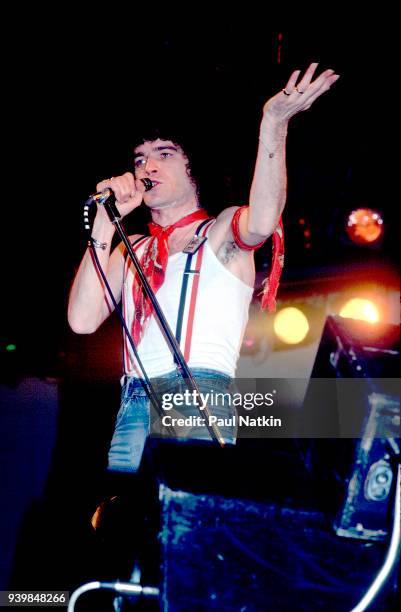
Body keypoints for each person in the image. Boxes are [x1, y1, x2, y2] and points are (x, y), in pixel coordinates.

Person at [68, 63, 340, 473]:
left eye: (164, 154)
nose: (147, 168)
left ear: (194, 165)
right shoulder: (131, 248)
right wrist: (107, 223)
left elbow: (263, 219)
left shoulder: (218, 231)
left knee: (182, 524)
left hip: (197, 396)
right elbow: (82, 319)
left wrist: (274, 125)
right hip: (132, 403)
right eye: (140, 158)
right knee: (123, 520)